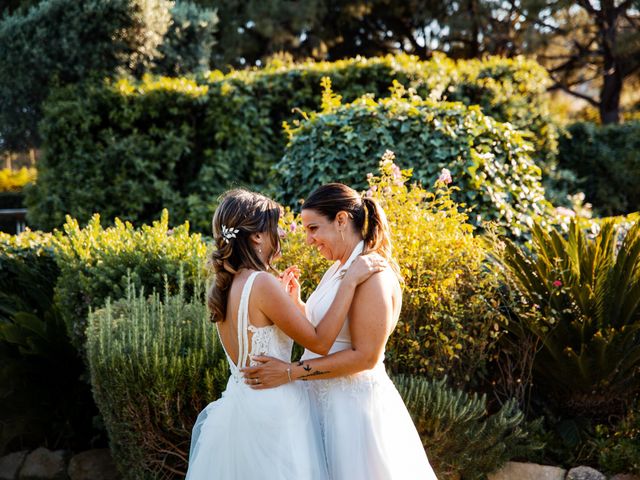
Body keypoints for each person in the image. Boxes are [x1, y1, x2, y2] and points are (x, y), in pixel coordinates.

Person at [185, 188, 385, 480]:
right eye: (274, 227)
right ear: (256, 236)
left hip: (240, 407)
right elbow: (320, 341)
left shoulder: (227, 287)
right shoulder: (262, 283)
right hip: (276, 410)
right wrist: (350, 281)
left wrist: (294, 303)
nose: (280, 233)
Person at [242, 183, 438, 479]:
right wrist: (298, 305)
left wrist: (290, 371)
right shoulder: (340, 267)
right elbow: (331, 331)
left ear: (342, 220)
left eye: (314, 228)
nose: (309, 240)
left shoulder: (372, 275)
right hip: (323, 405)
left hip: (352, 416)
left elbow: (365, 357)